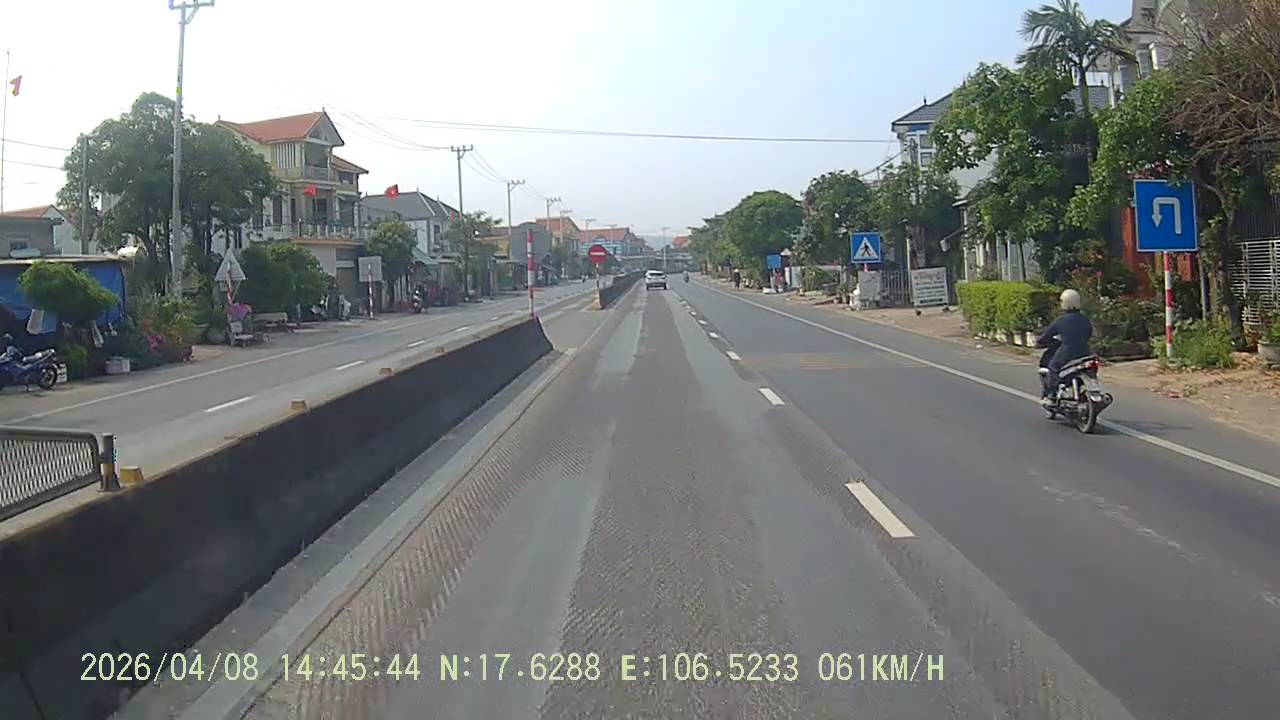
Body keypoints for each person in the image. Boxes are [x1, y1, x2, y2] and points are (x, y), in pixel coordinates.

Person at [1036, 289, 1093, 404]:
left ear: (1066, 302)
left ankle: (1051, 395)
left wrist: (1040, 341)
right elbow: (1089, 333)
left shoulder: (1062, 320)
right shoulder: (1085, 319)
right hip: (1085, 352)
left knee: (1052, 367)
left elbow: (1047, 334)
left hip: (1067, 353)